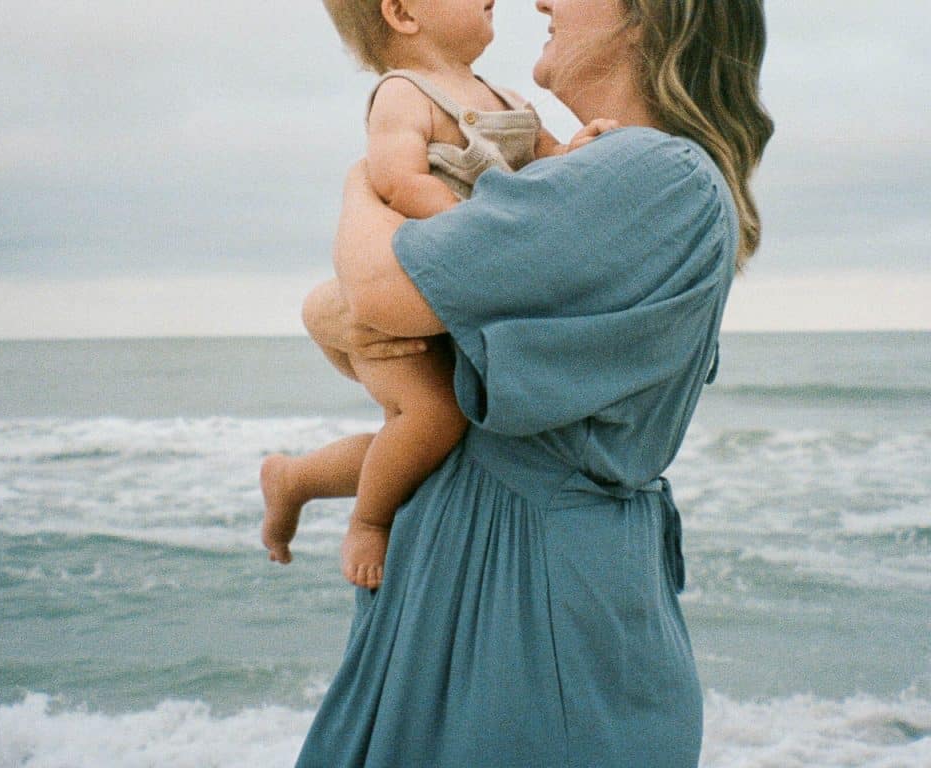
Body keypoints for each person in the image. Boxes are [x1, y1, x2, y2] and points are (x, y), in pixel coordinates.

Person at [291, 0, 774, 764]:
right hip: (521, 583)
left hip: (521, 608)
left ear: (646, 17)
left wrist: (361, 184)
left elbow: (381, 290)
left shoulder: (647, 171)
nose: (541, 1)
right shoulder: (621, 175)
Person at [260, 0, 612, 589]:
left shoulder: (505, 99)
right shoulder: (404, 93)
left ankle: (294, 479)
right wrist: (477, 228)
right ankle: (368, 522)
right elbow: (397, 181)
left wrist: (577, 151)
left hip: (454, 298)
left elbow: (545, 159)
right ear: (401, 13)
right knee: (432, 417)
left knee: (431, 442)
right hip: (405, 295)